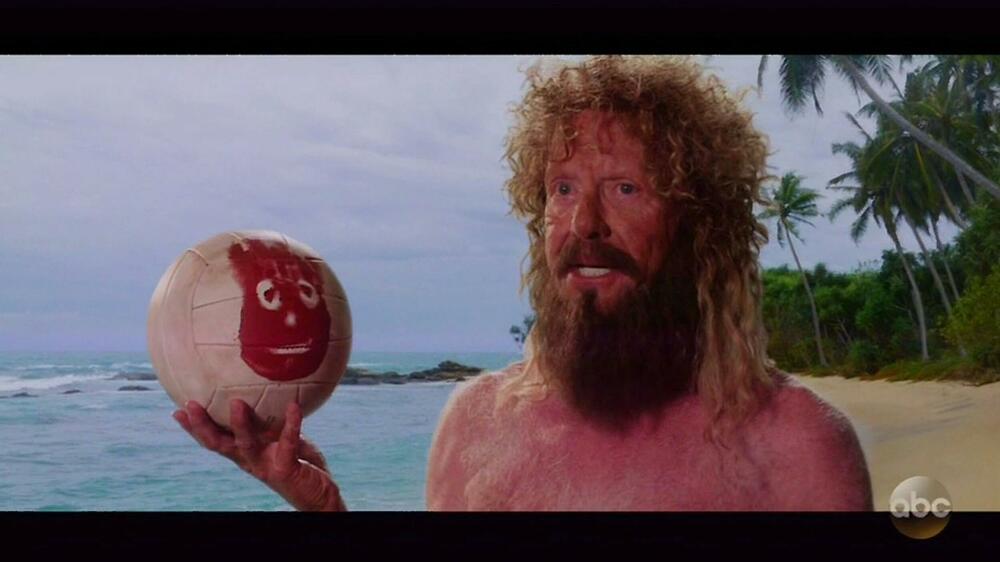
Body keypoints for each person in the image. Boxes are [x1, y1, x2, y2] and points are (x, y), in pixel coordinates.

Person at [173, 55, 873, 511]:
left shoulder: (797, 449)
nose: (585, 222)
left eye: (625, 188)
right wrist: (325, 509)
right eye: (563, 189)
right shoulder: (475, 426)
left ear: (699, 225)